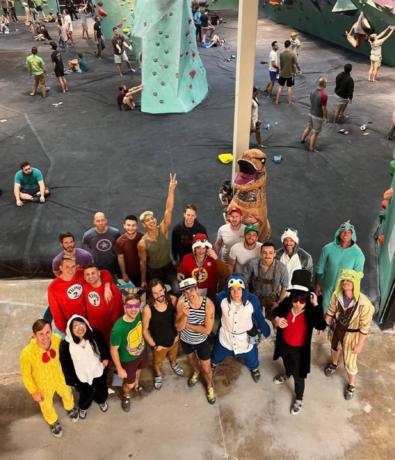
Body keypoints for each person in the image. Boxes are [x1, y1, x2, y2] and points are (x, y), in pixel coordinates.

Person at [272, 270, 327, 415]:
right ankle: (287, 373)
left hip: (300, 350)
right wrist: (277, 319)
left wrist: (316, 306)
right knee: (286, 361)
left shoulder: (311, 309)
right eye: (294, 299)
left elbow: (321, 325)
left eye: (301, 301)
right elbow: (275, 311)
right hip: (284, 343)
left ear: (307, 299)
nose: (297, 304)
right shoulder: (287, 303)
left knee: (299, 376)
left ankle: (299, 398)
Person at [20, 319, 78, 438]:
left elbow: (66, 357)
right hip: (43, 384)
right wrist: (34, 392)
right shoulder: (27, 353)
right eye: (41, 334)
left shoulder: (57, 339)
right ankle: (52, 421)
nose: (45, 337)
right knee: (46, 404)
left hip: (60, 377)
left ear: (52, 331)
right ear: (34, 335)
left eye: (48, 332)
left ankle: (70, 408)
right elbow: (26, 375)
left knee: (67, 393)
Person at [324, 270, 374, 400]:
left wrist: (360, 344)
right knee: (334, 347)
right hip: (336, 329)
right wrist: (323, 324)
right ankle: (334, 364)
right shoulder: (337, 295)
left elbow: (365, 326)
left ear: (355, 282)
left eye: (349, 280)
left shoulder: (364, 303)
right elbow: (331, 311)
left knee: (350, 361)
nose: (345, 282)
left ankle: (351, 385)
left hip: (352, 335)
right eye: (343, 280)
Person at [211, 274, 270, 382]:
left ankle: (254, 367)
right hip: (226, 335)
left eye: (239, 289)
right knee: (217, 352)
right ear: (228, 289)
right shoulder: (221, 298)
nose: (236, 292)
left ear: (244, 289)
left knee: (251, 356)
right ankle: (214, 363)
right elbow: (214, 313)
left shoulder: (253, 301)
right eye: (232, 289)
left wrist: (265, 330)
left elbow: (259, 317)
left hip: (245, 337)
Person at [59, 315, 110, 419]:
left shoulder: (95, 333)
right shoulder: (66, 344)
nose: (80, 328)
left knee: (101, 388)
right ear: (70, 329)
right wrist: (72, 380)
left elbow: (103, 346)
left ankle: (101, 400)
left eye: (82, 324)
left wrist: (105, 358)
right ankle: (84, 407)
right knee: (85, 393)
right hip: (81, 376)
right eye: (75, 326)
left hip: (98, 369)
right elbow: (65, 363)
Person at [175, 278, 216, 404]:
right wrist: (185, 316)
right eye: (185, 293)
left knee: (207, 368)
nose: (189, 295)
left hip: (201, 341)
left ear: (197, 289)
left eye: (191, 290)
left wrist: (186, 324)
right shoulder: (182, 303)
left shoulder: (208, 304)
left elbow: (207, 330)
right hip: (186, 340)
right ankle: (196, 372)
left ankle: (209, 386)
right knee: (191, 358)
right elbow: (177, 326)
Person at [47, 255, 113, 333]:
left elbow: (104, 273)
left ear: (77, 266)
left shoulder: (80, 273)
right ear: (61, 268)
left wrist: (107, 287)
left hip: (90, 322)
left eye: (73, 266)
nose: (70, 270)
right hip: (73, 326)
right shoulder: (53, 288)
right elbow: (56, 313)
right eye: (67, 267)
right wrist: (65, 331)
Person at [137, 174, 179, 293]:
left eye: (152, 218)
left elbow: (169, 209)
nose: (151, 220)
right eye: (147, 220)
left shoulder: (163, 229)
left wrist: (171, 189)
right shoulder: (142, 244)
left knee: (177, 290)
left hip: (168, 268)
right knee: (156, 294)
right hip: (153, 271)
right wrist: (143, 280)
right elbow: (143, 262)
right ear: (144, 225)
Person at [142, 279, 184, 390]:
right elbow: (145, 330)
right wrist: (154, 346)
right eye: (155, 293)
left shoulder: (173, 300)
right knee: (157, 362)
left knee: (173, 356)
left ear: (164, 289)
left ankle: (174, 364)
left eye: (160, 291)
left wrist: (177, 334)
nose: (159, 295)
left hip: (173, 339)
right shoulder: (148, 309)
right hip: (158, 345)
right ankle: (158, 374)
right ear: (151, 294)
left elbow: (178, 317)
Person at [314, 221, 365, 313]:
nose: (346, 233)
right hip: (327, 286)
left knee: (340, 310)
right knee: (325, 307)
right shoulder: (328, 248)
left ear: (353, 235)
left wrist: (352, 292)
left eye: (349, 232)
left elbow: (358, 276)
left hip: (344, 288)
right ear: (338, 233)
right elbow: (320, 266)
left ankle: (336, 326)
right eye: (343, 231)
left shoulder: (358, 255)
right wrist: (317, 284)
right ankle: (324, 325)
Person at [110, 293, 149, 413]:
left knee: (139, 371)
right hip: (128, 360)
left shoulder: (140, 315)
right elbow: (113, 350)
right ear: (124, 307)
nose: (133, 309)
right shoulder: (118, 329)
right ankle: (126, 395)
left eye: (136, 305)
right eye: (130, 306)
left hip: (141, 352)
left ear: (140, 305)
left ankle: (137, 383)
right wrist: (119, 368)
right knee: (129, 384)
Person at [243, 242, 289, 327]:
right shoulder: (252, 264)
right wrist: (248, 297)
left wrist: (278, 302)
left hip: (272, 298)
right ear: (261, 253)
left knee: (276, 322)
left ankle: (277, 335)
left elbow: (284, 286)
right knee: (252, 321)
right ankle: (256, 334)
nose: (267, 255)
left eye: (270, 253)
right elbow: (245, 280)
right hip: (255, 297)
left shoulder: (282, 267)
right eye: (264, 252)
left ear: (274, 254)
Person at [177, 233, 228, 301]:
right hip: (192, 291)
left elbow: (226, 275)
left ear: (207, 248)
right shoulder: (187, 258)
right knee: (180, 303)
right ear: (194, 248)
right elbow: (181, 270)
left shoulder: (212, 259)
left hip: (208, 293)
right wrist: (180, 274)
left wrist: (216, 259)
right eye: (198, 248)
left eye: (203, 248)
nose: (201, 251)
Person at [83, 263, 124, 344]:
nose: (90, 276)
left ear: (99, 273)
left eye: (93, 273)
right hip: (93, 332)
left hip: (109, 333)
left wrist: (115, 332)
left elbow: (118, 313)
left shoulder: (112, 291)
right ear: (84, 277)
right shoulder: (84, 286)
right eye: (87, 274)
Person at [82, 212, 121, 276]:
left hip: (112, 264)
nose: (100, 223)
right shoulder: (88, 235)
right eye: (98, 221)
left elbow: (118, 245)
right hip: (97, 265)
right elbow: (88, 245)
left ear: (106, 221)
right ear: (94, 222)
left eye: (102, 220)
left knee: (113, 282)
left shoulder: (115, 232)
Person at [300, 77, 329, 153]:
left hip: (311, 112)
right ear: (324, 84)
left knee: (309, 127)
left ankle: (302, 139)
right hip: (318, 116)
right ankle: (311, 148)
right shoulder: (324, 95)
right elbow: (324, 108)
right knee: (315, 132)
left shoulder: (312, 91)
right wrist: (326, 117)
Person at [116, 215, 144, 286]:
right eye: (128, 225)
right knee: (140, 289)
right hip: (132, 272)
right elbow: (120, 258)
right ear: (124, 226)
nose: (131, 228)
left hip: (146, 269)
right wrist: (124, 274)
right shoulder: (119, 241)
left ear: (137, 226)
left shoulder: (143, 237)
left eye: (133, 225)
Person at [275, 40, 297, 105]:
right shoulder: (293, 54)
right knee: (289, 88)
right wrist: (294, 72)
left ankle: (276, 101)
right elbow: (294, 65)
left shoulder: (281, 54)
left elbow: (281, 63)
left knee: (280, 87)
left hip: (282, 73)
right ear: (289, 45)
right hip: (290, 74)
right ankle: (290, 102)